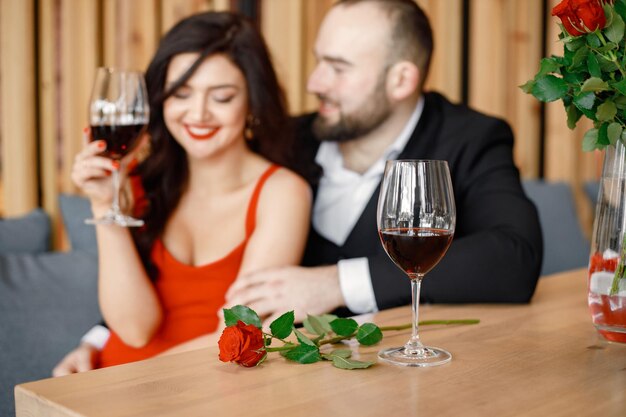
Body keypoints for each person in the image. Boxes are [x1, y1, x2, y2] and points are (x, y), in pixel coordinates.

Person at [55, 0, 543, 374]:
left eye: (338, 67)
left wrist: (335, 282)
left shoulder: (469, 139)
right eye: (316, 61)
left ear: (401, 79)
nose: (314, 82)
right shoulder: (291, 139)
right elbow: (167, 283)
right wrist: (98, 340)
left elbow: (512, 258)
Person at [52, 11, 311, 374]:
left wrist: (124, 383)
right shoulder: (143, 180)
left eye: (221, 97)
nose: (198, 113)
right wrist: (104, 205)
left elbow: (236, 336)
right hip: (113, 379)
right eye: (181, 94)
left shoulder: (282, 194)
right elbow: (135, 330)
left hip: (193, 387)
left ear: (252, 101)